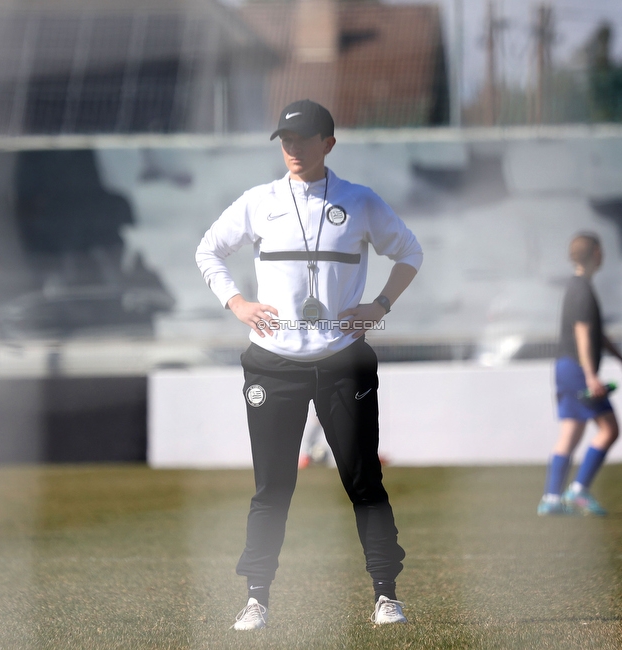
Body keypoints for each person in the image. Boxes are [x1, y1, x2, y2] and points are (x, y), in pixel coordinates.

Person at [195, 99, 423, 630]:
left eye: (304, 138)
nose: (293, 149)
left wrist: (380, 306)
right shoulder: (258, 201)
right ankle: (257, 598)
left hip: (345, 363)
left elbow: (409, 252)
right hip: (273, 366)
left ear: (329, 143)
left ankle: (386, 595)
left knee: (364, 479)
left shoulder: (361, 202)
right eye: (285, 140)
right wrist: (239, 305)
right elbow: (209, 251)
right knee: (272, 485)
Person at [538, 232, 622, 517]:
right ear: (595, 253)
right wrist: (591, 375)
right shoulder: (582, 289)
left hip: (565, 367)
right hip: (577, 369)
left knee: (570, 432)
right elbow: (583, 333)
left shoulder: (576, 287)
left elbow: (597, 335)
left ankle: (551, 498)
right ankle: (579, 489)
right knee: (610, 429)